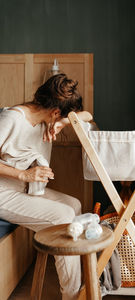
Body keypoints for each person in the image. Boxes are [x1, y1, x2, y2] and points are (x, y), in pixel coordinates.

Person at [0, 73, 92, 300]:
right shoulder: (12, 119)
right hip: (4, 192)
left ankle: (81, 284)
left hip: (24, 190)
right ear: (54, 110)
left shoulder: (48, 118)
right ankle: (71, 296)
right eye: (61, 116)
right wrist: (24, 173)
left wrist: (62, 122)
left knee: (75, 204)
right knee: (63, 217)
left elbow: (88, 115)